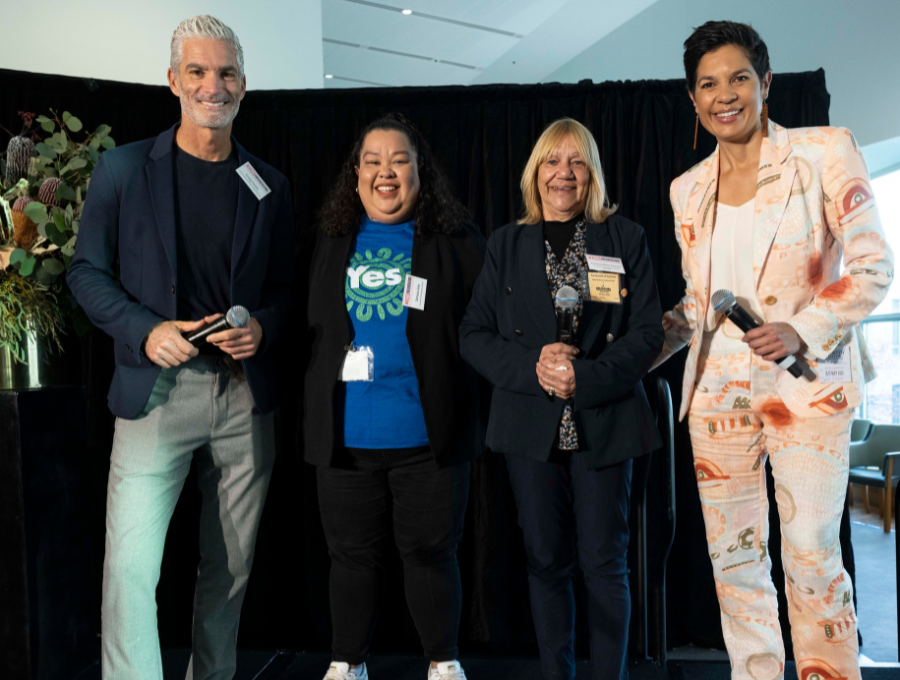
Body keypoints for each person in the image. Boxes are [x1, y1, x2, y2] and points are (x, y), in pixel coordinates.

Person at [655, 20, 894, 680]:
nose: (723, 94)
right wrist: (625, 357)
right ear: (693, 98)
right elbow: (699, 304)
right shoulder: (687, 189)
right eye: (707, 84)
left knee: (813, 551)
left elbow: (873, 267)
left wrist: (802, 328)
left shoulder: (824, 151)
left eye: (737, 78)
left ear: (764, 84)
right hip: (717, 401)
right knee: (735, 562)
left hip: (806, 387)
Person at [67, 15, 296, 679]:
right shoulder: (124, 169)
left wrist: (263, 328)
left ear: (244, 86)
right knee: (131, 569)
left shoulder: (269, 185)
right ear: (173, 80)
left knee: (229, 570)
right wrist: (145, 329)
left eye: (225, 73)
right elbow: (85, 271)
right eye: (197, 71)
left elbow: (285, 289)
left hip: (242, 395)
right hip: (154, 393)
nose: (211, 85)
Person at [459, 118, 663, 680]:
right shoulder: (506, 243)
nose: (563, 173)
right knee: (545, 561)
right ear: (535, 173)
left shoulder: (626, 239)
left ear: (591, 172)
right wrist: (535, 368)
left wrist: (586, 379)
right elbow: (473, 335)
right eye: (552, 161)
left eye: (576, 162)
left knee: (604, 564)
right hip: (530, 423)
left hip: (606, 416)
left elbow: (648, 334)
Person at [303, 112, 485, 680]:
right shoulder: (333, 240)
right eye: (373, 161)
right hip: (347, 434)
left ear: (419, 172)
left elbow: (486, 329)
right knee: (351, 558)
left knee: (431, 555)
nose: (386, 172)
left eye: (399, 160)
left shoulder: (455, 242)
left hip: (427, 437)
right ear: (355, 174)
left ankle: (443, 662)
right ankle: (348, 663)